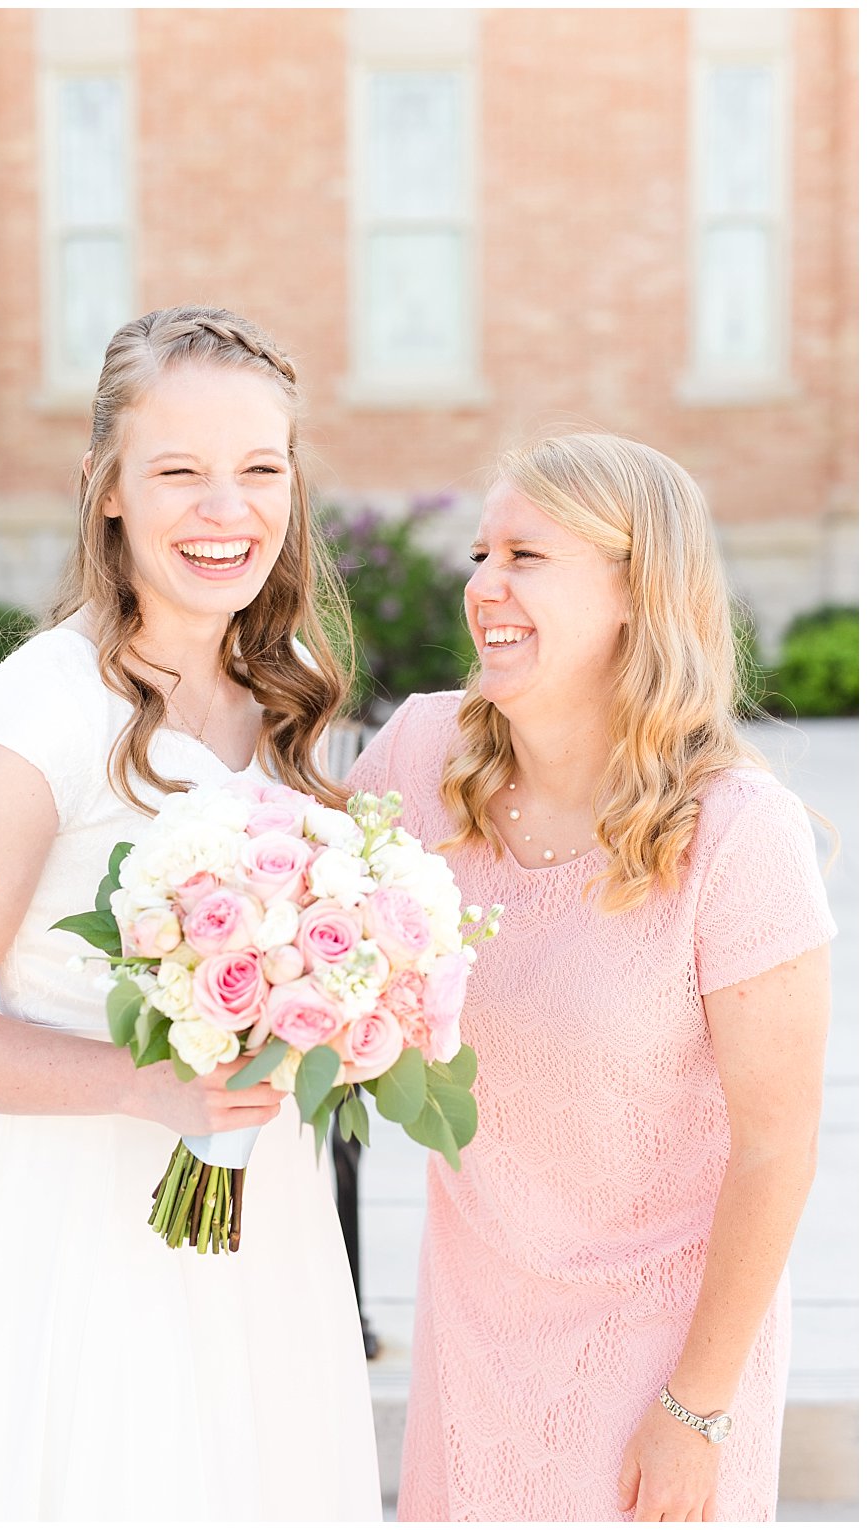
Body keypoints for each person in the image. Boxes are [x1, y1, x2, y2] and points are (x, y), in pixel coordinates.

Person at [0, 307, 380, 1519]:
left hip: (271, 1228)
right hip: (89, 1237)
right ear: (105, 489)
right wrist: (143, 1084)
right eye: (178, 472)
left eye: (259, 470)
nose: (226, 509)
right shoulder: (34, 713)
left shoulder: (288, 683)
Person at [347, 433, 833, 1522]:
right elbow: (286, 910)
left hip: (659, 1375)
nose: (483, 586)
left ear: (633, 588)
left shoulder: (734, 836)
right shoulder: (422, 763)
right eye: (479, 554)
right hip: (471, 1352)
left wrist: (694, 1411)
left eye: (525, 554)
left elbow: (774, 1150)